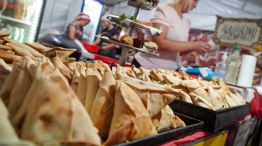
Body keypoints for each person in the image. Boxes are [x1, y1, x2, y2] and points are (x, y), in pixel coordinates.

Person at [133, 0, 211, 70]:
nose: (196, 6)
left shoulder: (187, 22)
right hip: (146, 66)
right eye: (195, 1)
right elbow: (158, 43)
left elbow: (177, 51)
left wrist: (196, 44)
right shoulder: (163, 10)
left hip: (169, 71)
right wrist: (193, 45)